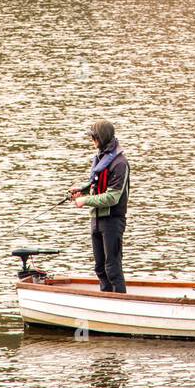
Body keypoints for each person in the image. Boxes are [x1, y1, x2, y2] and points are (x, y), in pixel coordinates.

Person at [70, 120, 130, 293]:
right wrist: (82, 190)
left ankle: (120, 304)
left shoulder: (120, 164)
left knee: (113, 268)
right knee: (100, 268)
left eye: (94, 137)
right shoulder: (100, 158)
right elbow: (96, 183)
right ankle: (105, 300)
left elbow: (112, 197)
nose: (92, 140)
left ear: (101, 138)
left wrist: (85, 200)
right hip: (96, 220)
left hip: (112, 222)